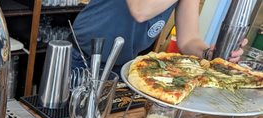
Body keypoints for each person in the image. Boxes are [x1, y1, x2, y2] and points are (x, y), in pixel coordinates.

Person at [70, 0, 246, 71]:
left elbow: (189, 39)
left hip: (122, 66)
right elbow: (140, 10)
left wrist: (211, 54)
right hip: (80, 58)